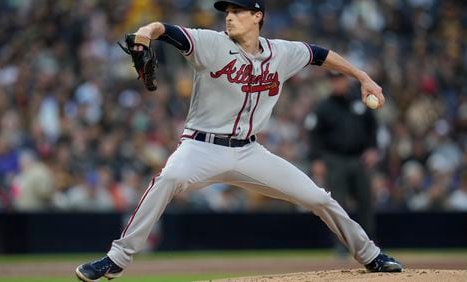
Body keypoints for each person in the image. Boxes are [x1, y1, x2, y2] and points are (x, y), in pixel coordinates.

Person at [75, 1, 402, 281]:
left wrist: (363, 76)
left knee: (318, 198)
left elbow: (320, 55)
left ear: (257, 16)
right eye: (227, 11)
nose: (229, 16)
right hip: (200, 147)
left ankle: (371, 255)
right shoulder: (211, 44)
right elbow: (167, 30)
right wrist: (146, 31)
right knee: (168, 179)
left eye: (238, 11)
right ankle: (116, 260)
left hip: (249, 151)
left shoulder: (281, 52)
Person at [307, 72, 379, 256]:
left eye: (339, 79)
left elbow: (373, 127)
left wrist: (372, 148)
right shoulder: (324, 107)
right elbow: (314, 135)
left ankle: (369, 244)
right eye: (333, 80)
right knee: (338, 204)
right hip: (335, 160)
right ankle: (341, 245)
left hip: (359, 159)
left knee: (365, 201)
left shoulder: (360, 103)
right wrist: (316, 159)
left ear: (346, 81)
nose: (336, 83)